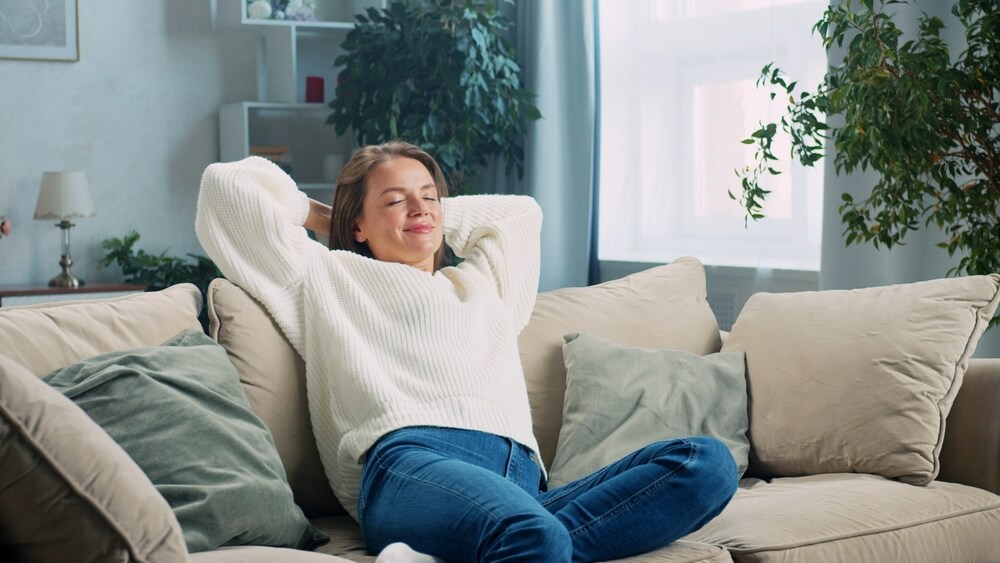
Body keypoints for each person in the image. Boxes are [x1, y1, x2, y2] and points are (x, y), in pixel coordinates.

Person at [196, 141, 738, 562]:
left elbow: (519, 215)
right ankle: (512, 546)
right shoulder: (324, 276)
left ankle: (477, 553)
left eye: (428, 195)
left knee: (707, 464)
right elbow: (226, 189)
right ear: (358, 224)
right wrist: (330, 217)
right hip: (410, 464)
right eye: (395, 200)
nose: (420, 208)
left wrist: (425, 209)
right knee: (532, 535)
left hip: (519, 479)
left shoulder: (484, 282)